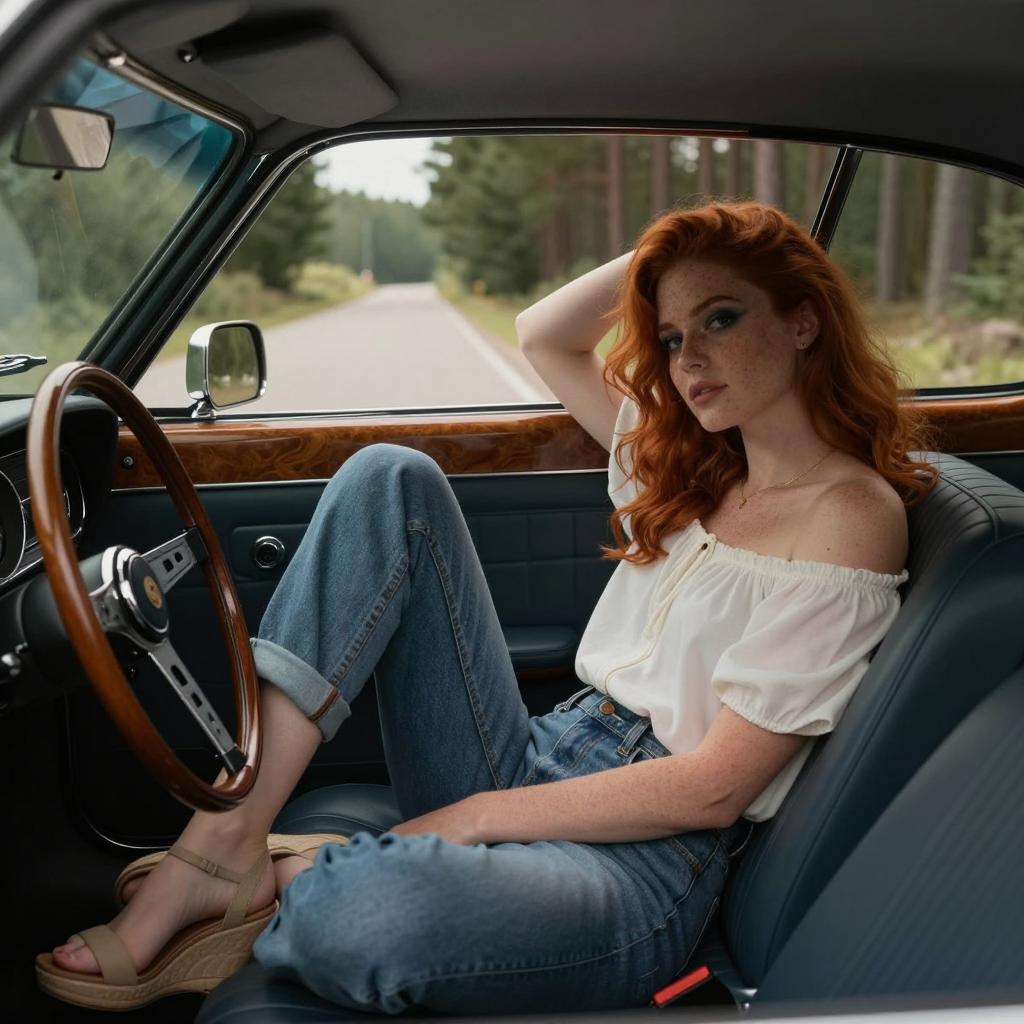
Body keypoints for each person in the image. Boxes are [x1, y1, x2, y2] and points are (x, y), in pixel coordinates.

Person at [37, 200, 936, 1014]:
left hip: (644, 856)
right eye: (667, 336)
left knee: (366, 912)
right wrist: (679, 248)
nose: (688, 359)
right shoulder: (694, 465)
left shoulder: (851, 516)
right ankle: (219, 849)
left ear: (804, 319)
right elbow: (545, 333)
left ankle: (296, 878)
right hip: (539, 750)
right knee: (390, 477)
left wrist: (462, 823)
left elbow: (715, 786)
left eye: (722, 318)